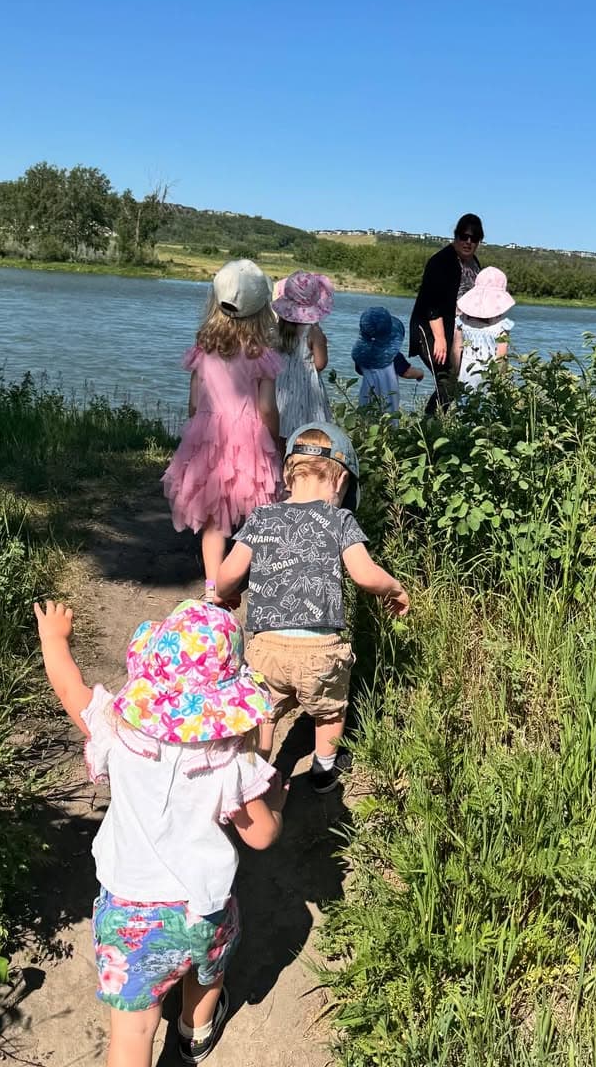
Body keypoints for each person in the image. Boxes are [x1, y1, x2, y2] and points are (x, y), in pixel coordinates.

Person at [34, 596, 286, 1067]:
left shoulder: (120, 733)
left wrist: (54, 641)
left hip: (129, 914)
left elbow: (71, 690)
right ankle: (195, 1033)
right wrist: (274, 788)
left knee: (131, 1029)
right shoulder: (231, 760)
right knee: (207, 972)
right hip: (203, 908)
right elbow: (262, 837)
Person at [215, 423, 410, 792]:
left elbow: (228, 574)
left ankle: (255, 775)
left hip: (266, 647)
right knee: (329, 712)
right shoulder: (340, 520)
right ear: (340, 483)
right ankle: (322, 771)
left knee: (265, 715)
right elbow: (366, 575)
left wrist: (225, 594)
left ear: (289, 474)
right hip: (321, 651)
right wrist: (395, 588)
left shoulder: (261, 517)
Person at [162, 259, 282, 601]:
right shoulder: (261, 353)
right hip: (250, 437)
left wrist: (196, 431)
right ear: (261, 309)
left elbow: (194, 400)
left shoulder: (204, 347)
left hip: (208, 432)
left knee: (214, 517)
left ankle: (214, 585)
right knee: (256, 510)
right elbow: (267, 408)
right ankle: (250, 580)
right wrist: (274, 438)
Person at [409, 213, 485, 413]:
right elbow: (431, 302)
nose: (468, 242)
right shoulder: (441, 261)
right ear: (456, 235)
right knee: (447, 380)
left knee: (454, 381)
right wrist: (440, 339)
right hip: (432, 330)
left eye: (474, 238)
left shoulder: (474, 262)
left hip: (459, 334)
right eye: (464, 236)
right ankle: (430, 425)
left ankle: (436, 426)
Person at [271, 271, 334, 440]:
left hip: (279, 386)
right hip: (306, 387)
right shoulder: (313, 331)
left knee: (279, 433)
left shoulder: (277, 330)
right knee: (305, 434)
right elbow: (320, 364)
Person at [351, 307, 423, 416]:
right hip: (388, 401)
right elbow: (407, 373)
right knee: (389, 423)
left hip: (366, 397)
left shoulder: (363, 356)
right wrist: (419, 373)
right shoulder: (394, 356)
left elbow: (359, 371)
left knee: (366, 420)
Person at [453, 266, 516, 392]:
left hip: (466, 374)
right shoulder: (502, 325)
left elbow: (456, 350)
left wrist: (454, 374)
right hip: (489, 376)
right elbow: (501, 356)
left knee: (465, 407)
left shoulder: (462, 321)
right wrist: (501, 380)